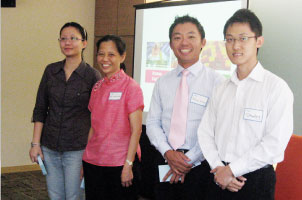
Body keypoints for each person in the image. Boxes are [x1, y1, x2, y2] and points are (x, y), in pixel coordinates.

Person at [197, 9, 294, 200]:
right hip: (218, 175)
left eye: (243, 38)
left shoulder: (276, 88)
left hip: (255, 180)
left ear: (259, 41)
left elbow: (274, 144)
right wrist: (219, 168)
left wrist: (233, 170)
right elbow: (205, 132)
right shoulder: (221, 88)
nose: (235, 46)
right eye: (230, 39)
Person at [146, 15, 224, 200]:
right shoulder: (162, 82)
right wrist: (169, 153)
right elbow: (152, 122)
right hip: (166, 161)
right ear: (171, 45)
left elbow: (217, 128)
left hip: (201, 165)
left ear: (203, 42)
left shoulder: (217, 82)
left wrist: (188, 160)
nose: (184, 42)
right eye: (177, 37)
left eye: (191, 36)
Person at [29, 22, 101, 200]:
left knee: (74, 195)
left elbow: (98, 118)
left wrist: (91, 151)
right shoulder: (51, 71)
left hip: (77, 148)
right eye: (63, 39)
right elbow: (40, 108)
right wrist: (35, 144)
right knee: (55, 195)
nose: (67, 42)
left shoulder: (92, 76)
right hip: (50, 145)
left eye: (73, 38)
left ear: (84, 43)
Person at [82, 35, 144, 200]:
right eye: (101, 54)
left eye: (111, 54)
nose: (105, 59)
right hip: (93, 161)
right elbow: (93, 126)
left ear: (122, 56)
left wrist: (128, 165)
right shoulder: (97, 87)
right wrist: (85, 156)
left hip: (120, 163)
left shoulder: (131, 87)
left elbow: (136, 130)